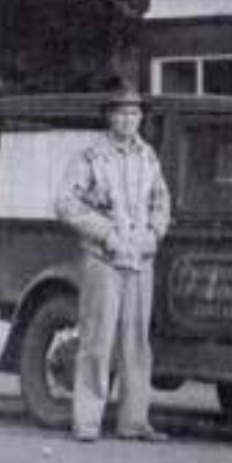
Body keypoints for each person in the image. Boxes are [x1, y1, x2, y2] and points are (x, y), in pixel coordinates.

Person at [54, 78, 173, 443]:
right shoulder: (90, 157)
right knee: (97, 338)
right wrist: (105, 232)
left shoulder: (147, 156)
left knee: (136, 341)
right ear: (109, 117)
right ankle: (87, 421)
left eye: (134, 113)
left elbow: (161, 200)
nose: (127, 120)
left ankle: (133, 421)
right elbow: (66, 204)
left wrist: (154, 232)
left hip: (140, 259)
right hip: (103, 258)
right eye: (120, 113)